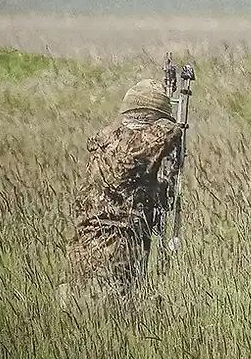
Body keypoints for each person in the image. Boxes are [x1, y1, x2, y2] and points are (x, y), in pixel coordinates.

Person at [58, 78, 183, 311]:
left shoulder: (106, 140)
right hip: (114, 257)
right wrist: (177, 125)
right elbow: (164, 134)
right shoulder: (138, 143)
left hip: (80, 256)